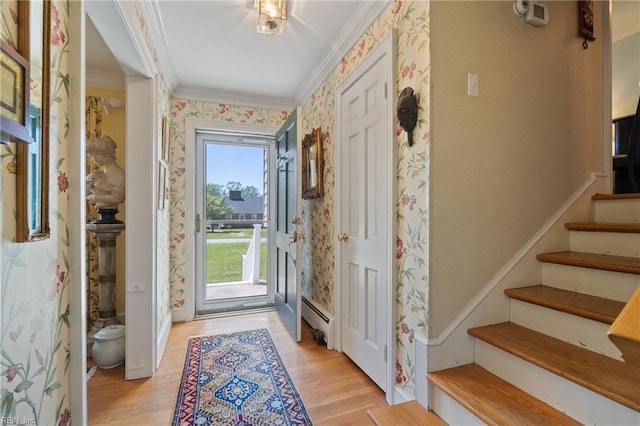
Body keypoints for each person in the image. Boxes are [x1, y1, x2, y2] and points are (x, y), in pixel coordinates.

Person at [86, 135, 125, 210]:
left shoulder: (119, 175)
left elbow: (119, 198)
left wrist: (96, 198)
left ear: (101, 155)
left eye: (92, 156)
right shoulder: (98, 174)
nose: (92, 160)